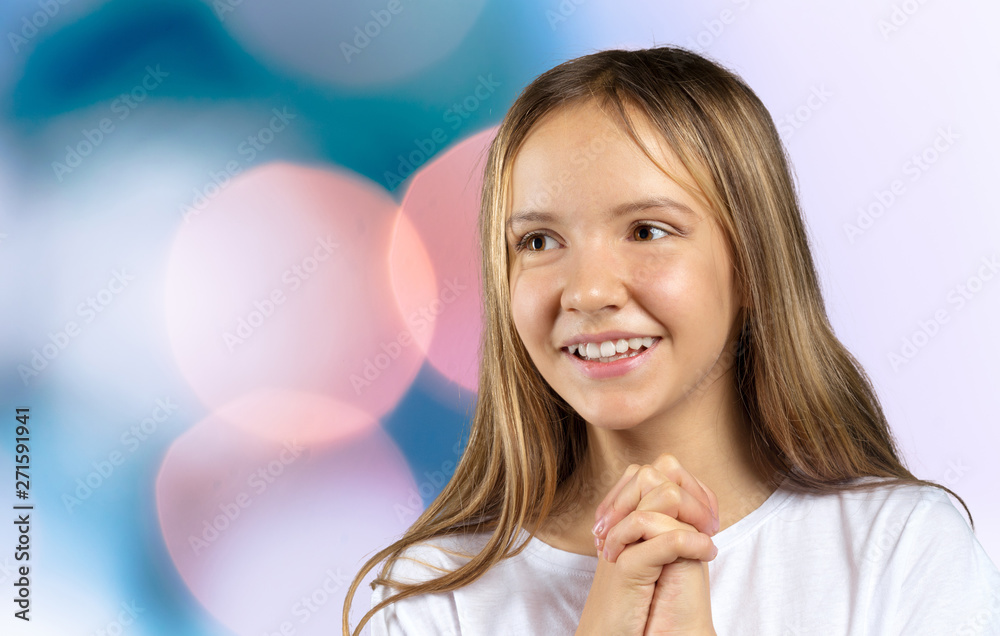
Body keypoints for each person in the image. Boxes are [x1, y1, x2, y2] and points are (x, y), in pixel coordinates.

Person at [342, 46, 1000, 635]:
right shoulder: (425, 599)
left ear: (750, 264)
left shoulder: (903, 550)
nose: (588, 292)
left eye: (647, 230)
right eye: (538, 242)